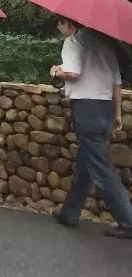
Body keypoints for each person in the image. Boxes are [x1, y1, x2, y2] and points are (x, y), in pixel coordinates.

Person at [50, 18, 132, 238]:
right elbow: (117, 82)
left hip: (87, 108)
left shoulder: (73, 41)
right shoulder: (107, 42)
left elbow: (73, 73)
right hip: (105, 107)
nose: (59, 30)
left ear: (67, 23)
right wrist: (117, 113)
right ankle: (70, 212)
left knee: (101, 168)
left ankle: (128, 221)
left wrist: (56, 71)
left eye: (59, 26)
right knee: (87, 162)